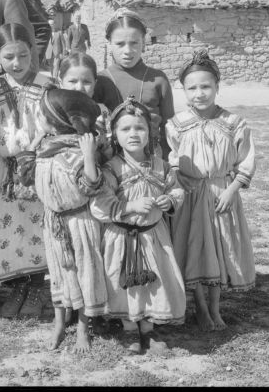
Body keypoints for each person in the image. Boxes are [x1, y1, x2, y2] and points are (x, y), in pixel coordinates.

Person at [166, 49, 256, 332]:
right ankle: (201, 308)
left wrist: (232, 190)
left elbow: (246, 161)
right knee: (194, 250)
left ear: (217, 86)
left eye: (206, 86)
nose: (199, 93)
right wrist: (180, 176)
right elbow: (172, 161)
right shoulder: (176, 125)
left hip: (221, 196)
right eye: (191, 88)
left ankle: (216, 308)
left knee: (218, 251)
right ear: (183, 90)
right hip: (191, 198)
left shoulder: (234, 124)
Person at [90, 97, 186, 354]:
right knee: (124, 285)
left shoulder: (162, 167)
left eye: (140, 128)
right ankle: (129, 328)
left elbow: (177, 191)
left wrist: (169, 200)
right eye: (125, 129)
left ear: (150, 132)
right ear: (114, 134)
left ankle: (149, 329)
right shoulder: (111, 169)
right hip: (122, 238)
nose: (133, 134)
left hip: (154, 237)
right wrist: (130, 207)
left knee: (154, 284)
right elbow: (99, 205)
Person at [15, 88, 107, 352]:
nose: (38, 119)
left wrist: (89, 155)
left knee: (84, 272)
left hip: (79, 223)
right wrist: (32, 146)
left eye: (42, 115)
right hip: (53, 222)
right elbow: (26, 177)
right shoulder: (45, 147)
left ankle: (82, 327)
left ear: (55, 120)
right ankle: (58, 323)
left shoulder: (78, 151)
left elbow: (91, 186)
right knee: (58, 273)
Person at [0, 23, 52, 319]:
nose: (17, 63)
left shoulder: (48, 83)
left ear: (33, 52)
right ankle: (18, 286)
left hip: (37, 167)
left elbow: (54, 125)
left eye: (23, 55)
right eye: (9, 57)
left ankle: (37, 286)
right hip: (5, 171)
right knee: (9, 228)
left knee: (37, 227)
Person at [92, 8, 175, 159]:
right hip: (111, 161)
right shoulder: (100, 81)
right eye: (120, 44)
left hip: (153, 161)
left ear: (144, 42)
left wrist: (167, 163)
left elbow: (169, 129)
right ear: (109, 44)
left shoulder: (158, 79)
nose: (128, 51)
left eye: (134, 43)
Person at [59, 52, 112, 163]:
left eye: (86, 82)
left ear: (95, 84)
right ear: (61, 83)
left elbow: (109, 152)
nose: (79, 88)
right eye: (73, 81)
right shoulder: (53, 113)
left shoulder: (103, 114)